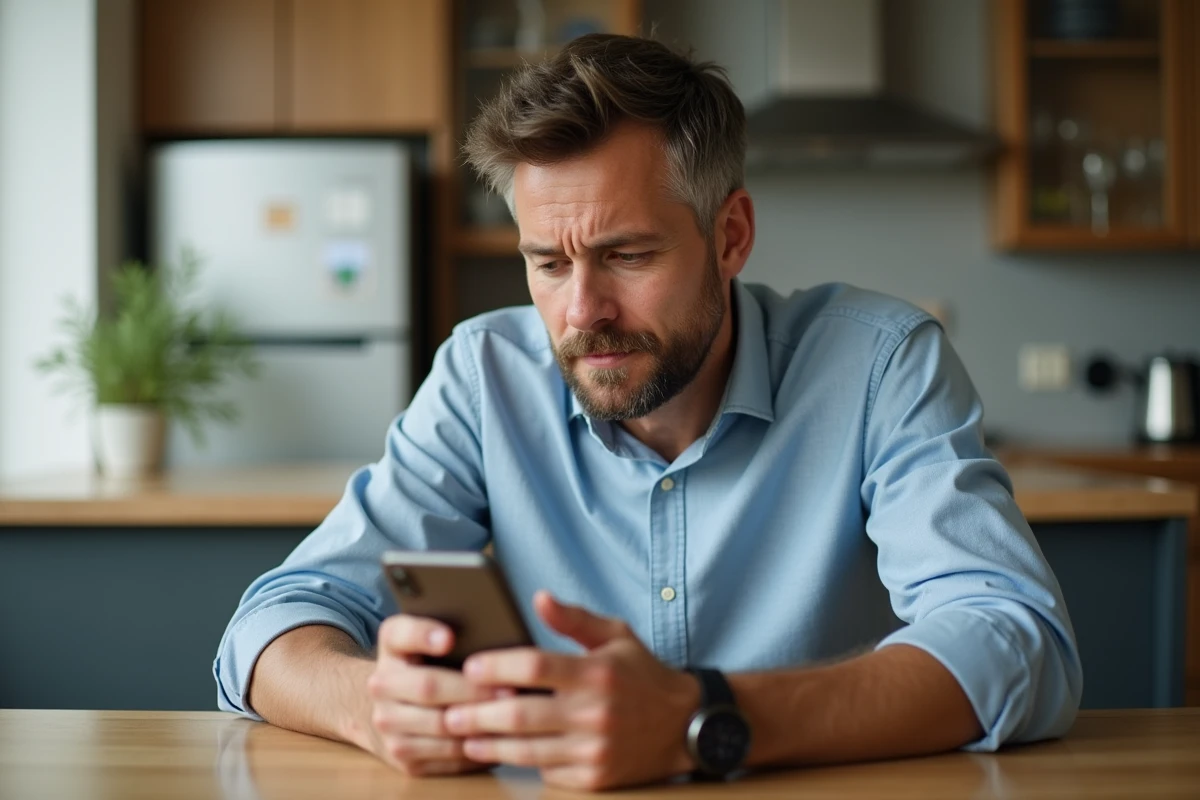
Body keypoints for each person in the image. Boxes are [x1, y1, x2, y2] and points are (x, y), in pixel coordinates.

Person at [214, 34, 1082, 791]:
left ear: (731, 235)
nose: (582, 309)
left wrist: (701, 718)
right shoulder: (486, 375)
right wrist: (374, 704)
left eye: (625, 254)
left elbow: (1017, 643)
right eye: (548, 264)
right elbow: (270, 626)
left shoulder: (880, 364)